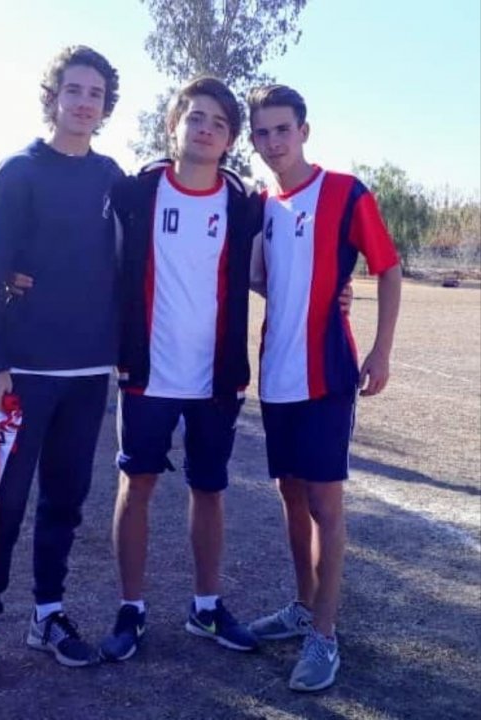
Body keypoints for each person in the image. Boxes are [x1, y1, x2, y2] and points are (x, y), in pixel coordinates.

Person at [0, 45, 123, 691]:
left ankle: (48, 614)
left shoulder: (112, 177)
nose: (84, 102)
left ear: (105, 105)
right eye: (73, 89)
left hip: (88, 373)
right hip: (21, 374)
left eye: (95, 93)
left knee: (65, 499)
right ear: (52, 97)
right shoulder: (18, 171)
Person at [99, 76, 263, 663]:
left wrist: (336, 294)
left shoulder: (243, 204)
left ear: (230, 139)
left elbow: (271, 271)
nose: (206, 130)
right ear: (174, 125)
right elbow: (96, 260)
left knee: (209, 489)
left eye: (219, 123)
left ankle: (206, 606)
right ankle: (131, 609)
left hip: (216, 377)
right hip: (147, 372)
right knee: (136, 485)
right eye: (196, 117)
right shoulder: (135, 192)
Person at [247, 84, 402, 692]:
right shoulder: (262, 204)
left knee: (324, 506)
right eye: (262, 132)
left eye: (282, 129)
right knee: (290, 497)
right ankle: (303, 606)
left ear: (304, 131)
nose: (273, 142)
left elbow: (388, 268)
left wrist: (381, 350)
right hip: (275, 376)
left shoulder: (345, 191)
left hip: (327, 375)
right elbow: (266, 279)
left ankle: (325, 636)